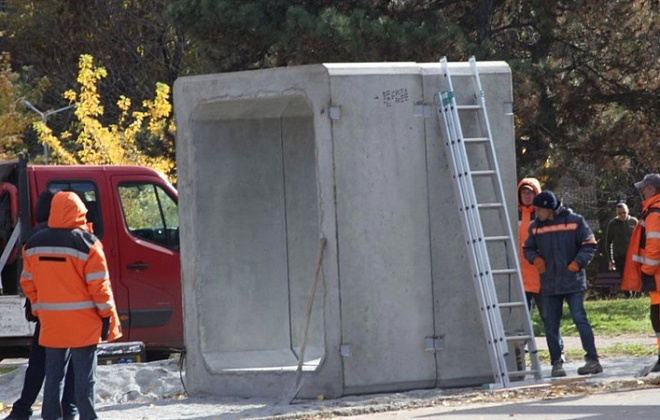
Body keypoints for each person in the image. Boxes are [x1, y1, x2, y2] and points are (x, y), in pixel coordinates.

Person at [20, 191, 122, 420]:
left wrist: (38, 307)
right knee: (85, 378)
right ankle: (88, 417)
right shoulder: (89, 243)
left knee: (54, 375)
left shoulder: (34, 243)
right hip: (83, 324)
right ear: (80, 212)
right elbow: (100, 287)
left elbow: (27, 281)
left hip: (52, 324)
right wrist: (107, 315)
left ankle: (51, 416)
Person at [4, 190, 78, 420]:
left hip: (46, 313)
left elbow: (28, 279)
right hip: (73, 312)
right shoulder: (74, 236)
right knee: (71, 364)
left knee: (39, 364)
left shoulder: (35, 237)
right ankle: (69, 408)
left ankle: (23, 408)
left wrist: (36, 305)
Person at [523, 190, 601, 377]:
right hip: (550, 282)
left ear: (549, 209)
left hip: (572, 280)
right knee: (551, 324)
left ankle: (593, 360)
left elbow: (589, 243)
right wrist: (535, 259)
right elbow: (528, 248)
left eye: (539, 210)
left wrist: (577, 263)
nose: (536, 213)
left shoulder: (575, 221)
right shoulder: (535, 227)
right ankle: (556, 363)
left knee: (579, 318)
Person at [622, 173, 660, 372]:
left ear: (652, 190)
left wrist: (646, 270)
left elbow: (654, 245)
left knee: (658, 318)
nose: (642, 192)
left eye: (644, 189)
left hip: (657, 277)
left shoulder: (654, 213)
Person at [604, 202, 637, 296]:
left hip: (633, 255)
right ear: (616, 213)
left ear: (628, 211)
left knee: (633, 276)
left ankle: (633, 295)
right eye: (620, 213)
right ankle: (628, 295)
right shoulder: (613, 224)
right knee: (624, 277)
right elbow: (608, 242)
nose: (622, 215)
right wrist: (610, 259)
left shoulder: (634, 222)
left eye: (624, 212)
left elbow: (640, 239)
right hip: (619, 256)